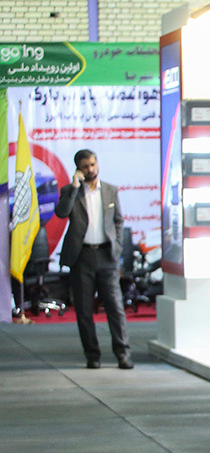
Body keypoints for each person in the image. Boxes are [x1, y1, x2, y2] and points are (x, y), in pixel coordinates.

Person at [54, 149, 133, 370]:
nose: (90, 169)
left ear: (97, 163)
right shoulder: (69, 191)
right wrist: (74, 188)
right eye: (85, 167)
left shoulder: (110, 190)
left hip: (107, 256)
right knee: (84, 310)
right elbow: (61, 213)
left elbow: (118, 221)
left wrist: (117, 247)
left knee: (115, 308)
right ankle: (93, 355)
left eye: (92, 164)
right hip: (82, 257)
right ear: (78, 169)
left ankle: (123, 354)